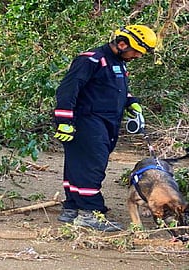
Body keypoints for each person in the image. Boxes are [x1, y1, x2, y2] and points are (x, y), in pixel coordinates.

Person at [53, 25, 157, 232]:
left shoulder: (118, 63)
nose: (136, 56)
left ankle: (72, 207)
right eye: (135, 51)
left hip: (106, 123)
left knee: (78, 165)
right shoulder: (91, 60)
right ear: (121, 44)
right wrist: (64, 120)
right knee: (92, 166)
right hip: (87, 122)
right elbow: (67, 90)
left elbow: (110, 90)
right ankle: (91, 214)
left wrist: (130, 102)